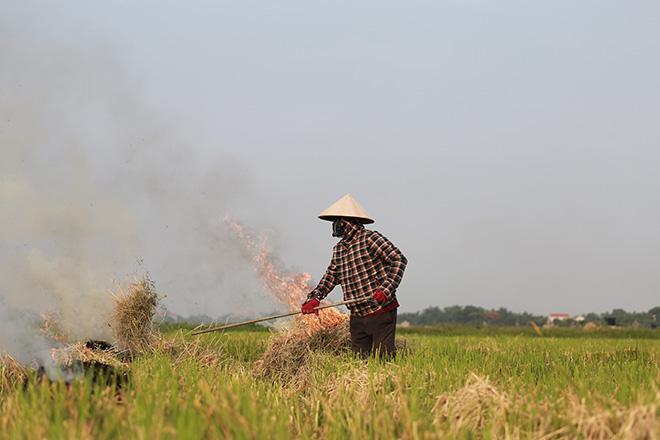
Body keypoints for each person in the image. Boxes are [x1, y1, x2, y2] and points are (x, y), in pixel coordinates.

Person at [301, 194, 407, 358]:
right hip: (357, 316)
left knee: (384, 360)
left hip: (380, 311)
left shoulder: (370, 239)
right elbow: (330, 276)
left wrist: (386, 289)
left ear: (345, 221)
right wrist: (314, 298)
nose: (334, 226)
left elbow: (399, 259)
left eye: (336, 221)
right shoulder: (339, 249)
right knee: (358, 362)